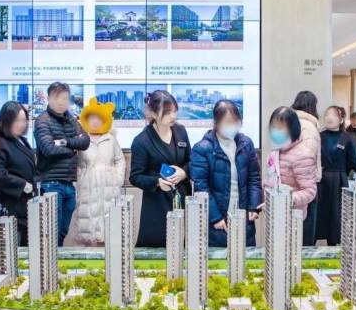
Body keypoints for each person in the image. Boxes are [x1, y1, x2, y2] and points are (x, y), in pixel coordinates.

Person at [190, 100, 262, 247]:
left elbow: (254, 178)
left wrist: (253, 206)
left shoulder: (246, 144)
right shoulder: (202, 149)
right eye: (228, 122)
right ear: (216, 123)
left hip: (243, 218)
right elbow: (201, 187)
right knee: (218, 259)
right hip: (217, 222)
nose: (233, 126)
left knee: (244, 257)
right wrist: (215, 217)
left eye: (236, 121)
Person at [129, 90, 192, 247]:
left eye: (175, 111)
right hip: (157, 204)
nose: (173, 116)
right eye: (168, 112)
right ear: (153, 113)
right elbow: (135, 176)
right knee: (159, 246)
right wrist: (157, 182)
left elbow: (191, 160)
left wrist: (184, 172)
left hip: (183, 197)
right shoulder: (142, 141)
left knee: (185, 246)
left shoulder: (181, 131)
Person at [34, 82, 90, 246]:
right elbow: (49, 149)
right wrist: (72, 150)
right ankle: (51, 259)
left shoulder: (71, 119)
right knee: (52, 232)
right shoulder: (42, 120)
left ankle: (55, 258)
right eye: (57, 98)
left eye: (65, 98)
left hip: (68, 183)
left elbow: (85, 141)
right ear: (49, 98)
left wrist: (64, 142)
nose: (61, 102)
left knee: (62, 232)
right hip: (50, 183)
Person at [73, 97, 126, 246]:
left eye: (98, 118)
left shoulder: (111, 140)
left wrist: (117, 179)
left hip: (109, 187)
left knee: (108, 226)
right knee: (86, 227)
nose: (95, 122)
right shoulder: (80, 139)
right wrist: (79, 179)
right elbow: (75, 162)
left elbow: (120, 160)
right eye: (92, 118)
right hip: (87, 186)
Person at [0, 101, 36, 246]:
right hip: (9, 207)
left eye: (24, 120)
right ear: (6, 121)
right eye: (17, 120)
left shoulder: (22, 140)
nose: (21, 124)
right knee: (11, 250)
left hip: (25, 207)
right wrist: (22, 185)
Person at [316, 106, 356, 246]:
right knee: (319, 214)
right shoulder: (319, 136)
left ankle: (334, 249)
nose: (330, 117)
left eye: (334, 115)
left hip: (339, 181)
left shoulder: (348, 138)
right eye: (327, 114)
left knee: (336, 217)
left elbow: (355, 162)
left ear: (341, 120)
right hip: (320, 180)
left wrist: (342, 171)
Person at [264, 106, 317, 220]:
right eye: (273, 127)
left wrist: (284, 199)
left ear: (293, 128)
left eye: (280, 127)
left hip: (292, 218)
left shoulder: (303, 154)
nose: (275, 131)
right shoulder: (276, 150)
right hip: (273, 213)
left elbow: (310, 191)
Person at [290, 91, 322, 245]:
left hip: (287, 183)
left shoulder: (287, 122)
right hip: (305, 184)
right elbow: (308, 156)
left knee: (290, 232)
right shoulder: (309, 126)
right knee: (305, 234)